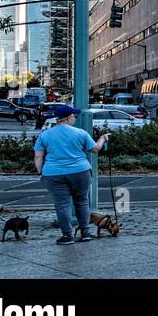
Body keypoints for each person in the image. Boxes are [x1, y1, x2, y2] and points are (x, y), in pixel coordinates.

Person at [34, 104, 110, 244]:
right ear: (68, 117)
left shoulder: (44, 135)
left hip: (53, 174)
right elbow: (95, 149)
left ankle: (67, 236)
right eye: (74, 116)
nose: (75, 118)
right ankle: (85, 232)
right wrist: (102, 139)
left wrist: (40, 173)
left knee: (62, 205)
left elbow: (38, 156)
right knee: (82, 202)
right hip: (80, 172)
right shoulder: (80, 133)